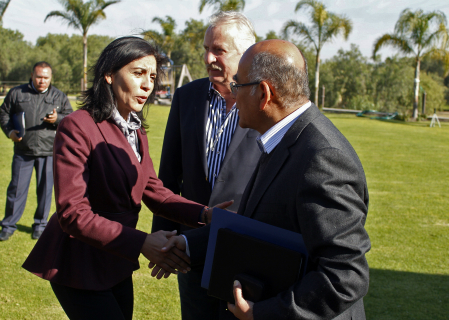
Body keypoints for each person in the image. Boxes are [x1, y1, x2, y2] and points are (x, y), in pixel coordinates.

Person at [155, 39, 371, 320]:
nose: (232, 93)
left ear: (264, 93)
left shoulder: (322, 158)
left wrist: (264, 313)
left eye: (238, 85)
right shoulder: (281, 141)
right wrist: (188, 244)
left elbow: (345, 275)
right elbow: (257, 229)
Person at [22, 36, 231, 320]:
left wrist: (205, 214)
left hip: (115, 261)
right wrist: (142, 242)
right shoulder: (77, 126)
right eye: (138, 73)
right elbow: (72, 213)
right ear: (109, 74)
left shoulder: (135, 128)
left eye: (153, 76)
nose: (148, 84)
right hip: (78, 264)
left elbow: (154, 190)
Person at [151, 11, 261, 320]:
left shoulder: (264, 99)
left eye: (219, 50)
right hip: (190, 249)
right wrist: (165, 240)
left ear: (245, 53)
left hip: (246, 247)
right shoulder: (187, 97)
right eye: (205, 49)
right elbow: (169, 174)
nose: (208, 57)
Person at [0, 61, 73, 241]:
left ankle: (40, 225)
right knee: (16, 189)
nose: (42, 81)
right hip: (23, 151)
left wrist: (57, 118)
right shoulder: (17, 93)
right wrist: (9, 132)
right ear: (32, 75)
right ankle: (8, 225)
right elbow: (4, 113)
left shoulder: (59, 96)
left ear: (51, 78)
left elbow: (70, 119)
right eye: (39, 77)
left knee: (46, 191)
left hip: (48, 151)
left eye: (46, 77)